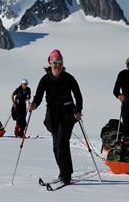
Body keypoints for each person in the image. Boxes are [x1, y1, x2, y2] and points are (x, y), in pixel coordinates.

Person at [30, 49, 83, 184]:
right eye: (54, 62)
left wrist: (78, 110)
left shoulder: (69, 78)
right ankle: (63, 172)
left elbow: (78, 96)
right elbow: (39, 96)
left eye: (59, 62)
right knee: (56, 146)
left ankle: (66, 176)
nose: (57, 65)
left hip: (67, 114)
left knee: (61, 143)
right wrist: (34, 105)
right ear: (50, 63)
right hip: (52, 116)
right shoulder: (45, 79)